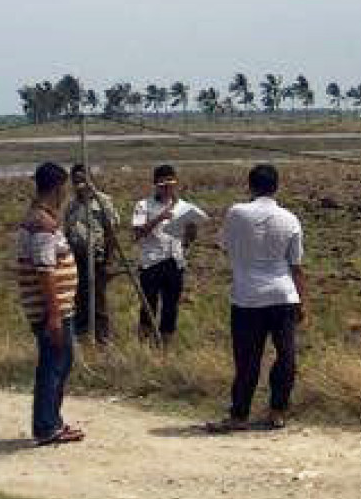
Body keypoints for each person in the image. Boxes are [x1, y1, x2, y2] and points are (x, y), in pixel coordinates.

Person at [204, 163, 306, 433]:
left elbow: (224, 245)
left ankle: (239, 415)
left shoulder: (236, 213)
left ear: (250, 186)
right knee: (286, 356)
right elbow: (296, 265)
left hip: (246, 298)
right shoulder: (291, 219)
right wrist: (300, 301)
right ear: (277, 187)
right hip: (283, 294)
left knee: (247, 360)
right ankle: (277, 410)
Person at [15, 162, 84, 446]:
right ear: (58, 188)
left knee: (60, 362)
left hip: (55, 308)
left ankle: (52, 420)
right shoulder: (42, 225)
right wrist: (54, 314)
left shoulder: (41, 219)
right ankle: (46, 426)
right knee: (54, 364)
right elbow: (45, 271)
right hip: (50, 310)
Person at [131, 164, 208, 346]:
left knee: (171, 307)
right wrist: (159, 218)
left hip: (175, 262)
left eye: (170, 184)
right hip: (151, 262)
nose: (167, 188)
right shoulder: (143, 205)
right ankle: (144, 344)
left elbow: (189, 239)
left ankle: (166, 346)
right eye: (163, 184)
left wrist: (191, 231)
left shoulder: (185, 206)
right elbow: (137, 234)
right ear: (155, 184)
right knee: (148, 305)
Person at [64, 163, 119, 345]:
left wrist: (109, 262)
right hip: (76, 259)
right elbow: (67, 232)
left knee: (98, 300)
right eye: (76, 180)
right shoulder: (71, 205)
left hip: (97, 258)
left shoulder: (103, 201)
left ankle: (102, 338)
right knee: (79, 299)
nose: (80, 184)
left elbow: (111, 233)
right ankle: (81, 337)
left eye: (83, 179)